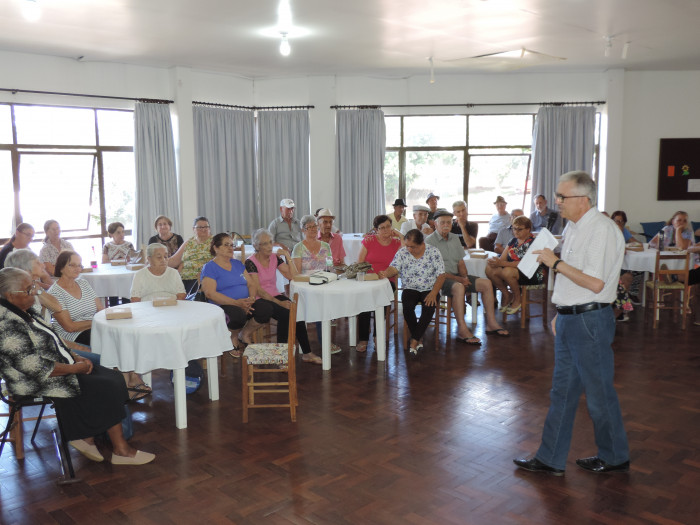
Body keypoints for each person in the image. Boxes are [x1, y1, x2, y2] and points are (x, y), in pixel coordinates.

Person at [514, 170, 629, 476]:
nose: (557, 202)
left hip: (590, 319)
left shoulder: (602, 230)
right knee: (562, 392)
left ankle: (615, 455)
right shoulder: (574, 227)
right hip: (570, 318)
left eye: (562, 197)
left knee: (598, 392)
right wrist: (559, 312)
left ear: (583, 198)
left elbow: (594, 283)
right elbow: (572, 280)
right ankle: (550, 458)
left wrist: (556, 262)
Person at [0, 267, 154, 465]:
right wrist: (74, 368)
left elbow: (54, 339)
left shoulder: (23, 310)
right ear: (10, 295)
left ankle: (89, 438)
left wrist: (75, 357)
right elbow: (35, 368)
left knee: (113, 377)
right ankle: (119, 449)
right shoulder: (6, 323)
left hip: (56, 365)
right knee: (105, 385)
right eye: (29, 290)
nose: (35, 293)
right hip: (32, 380)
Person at [49, 251, 150, 400]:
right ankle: (125, 386)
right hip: (74, 334)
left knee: (123, 335)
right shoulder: (55, 293)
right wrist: (97, 322)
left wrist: (107, 321)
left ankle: (132, 377)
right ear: (61, 267)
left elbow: (100, 310)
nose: (78, 269)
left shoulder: (83, 283)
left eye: (79, 265)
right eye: (72, 265)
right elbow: (69, 326)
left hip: (94, 326)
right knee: (113, 343)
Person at [427, 210, 509, 343]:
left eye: (448, 222)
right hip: (440, 279)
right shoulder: (430, 241)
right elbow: (435, 272)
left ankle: (491, 324)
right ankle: (462, 329)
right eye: (442, 222)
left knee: (486, 283)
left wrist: (464, 277)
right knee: (459, 287)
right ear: (435, 224)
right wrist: (460, 280)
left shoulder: (454, 238)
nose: (446, 225)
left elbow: (460, 261)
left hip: (456, 276)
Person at [245, 229, 322, 364]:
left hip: (274, 295)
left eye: (270, 242)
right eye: (265, 244)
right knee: (286, 313)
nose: (269, 246)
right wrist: (280, 303)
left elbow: (293, 276)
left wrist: (288, 256)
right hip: (259, 299)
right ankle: (281, 356)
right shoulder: (250, 262)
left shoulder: (275, 257)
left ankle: (306, 353)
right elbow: (257, 290)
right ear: (257, 246)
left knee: (296, 311)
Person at [201, 233, 272, 358]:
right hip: (223, 305)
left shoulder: (237, 264)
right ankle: (232, 337)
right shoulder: (210, 267)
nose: (230, 248)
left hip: (245, 302)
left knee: (266, 308)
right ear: (215, 248)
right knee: (237, 315)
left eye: (232, 245)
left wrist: (250, 300)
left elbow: (251, 284)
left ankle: (244, 334)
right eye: (226, 245)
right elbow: (210, 293)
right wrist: (237, 303)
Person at [379, 229, 445, 355]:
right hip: (410, 287)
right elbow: (394, 267)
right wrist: (385, 273)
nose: (409, 249)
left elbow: (441, 275)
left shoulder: (433, 252)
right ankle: (418, 337)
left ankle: (414, 339)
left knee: (429, 306)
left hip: (430, 288)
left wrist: (433, 293)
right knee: (407, 307)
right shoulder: (403, 252)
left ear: (422, 244)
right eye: (407, 245)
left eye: (412, 247)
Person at [292, 215, 342, 354]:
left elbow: (330, 267)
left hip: (323, 282)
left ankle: (325, 340)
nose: (313, 229)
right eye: (309, 227)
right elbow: (296, 273)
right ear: (303, 230)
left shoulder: (326, 246)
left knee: (328, 298)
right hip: (306, 286)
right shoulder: (298, 248)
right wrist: (311, 281)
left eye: (315, 226)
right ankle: (324, 342)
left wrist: (330, 276)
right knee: (322, 303)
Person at [356, 214, 403, 352]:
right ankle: (363, 338)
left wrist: (399, 235)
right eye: (382, 228)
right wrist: (370, 275)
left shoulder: (396, 243)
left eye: (388, 226)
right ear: (376, 230)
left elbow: (405, 254)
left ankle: (378, 336)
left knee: (380, 298)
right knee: (364, 299)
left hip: (387, 280)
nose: (386, 230)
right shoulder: (369, 241)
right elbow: (360, 263)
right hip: (369, 279)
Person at [485, 215, 544, 315]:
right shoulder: (512, 241)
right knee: (489, 269)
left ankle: (517, 298)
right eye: (514, 228)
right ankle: (506, 293)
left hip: (531, 274)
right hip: (513, 271)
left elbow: (524, 264)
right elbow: (502, 259)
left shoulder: (534, 243)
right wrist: (495, 261)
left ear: (528, 229)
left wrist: (501, 263)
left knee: (507, 271)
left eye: (519, 229)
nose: (516, 231)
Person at [168, 216, 214, 292]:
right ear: (193, 229)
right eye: (199, 227)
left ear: (209, 228)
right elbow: (174, 260)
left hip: (201, 277)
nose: (203, 229)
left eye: (206, 227)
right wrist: (157, 261)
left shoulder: (214, 242)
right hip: (183, 278)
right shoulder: (189, 242)